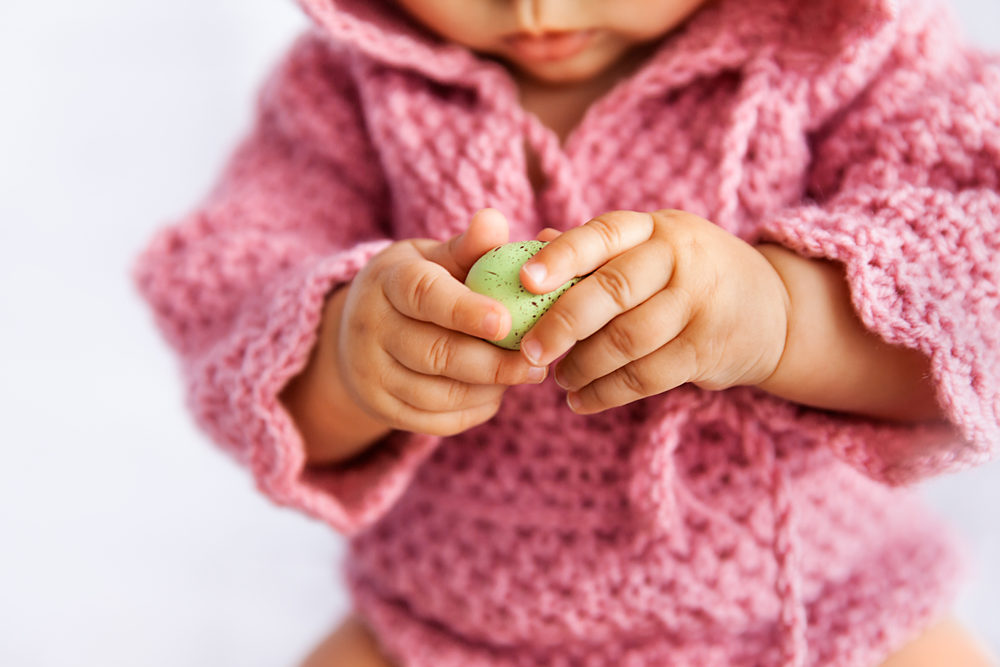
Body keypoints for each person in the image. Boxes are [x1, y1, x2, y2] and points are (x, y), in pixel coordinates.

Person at [133, 0, 1000, 664]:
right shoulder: (349, 90)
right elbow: (235, 302)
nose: (536, 9)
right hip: (445, 622)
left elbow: (972, 281)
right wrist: (351, 357)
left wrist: (775, 314)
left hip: (820, 610)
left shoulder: (844, 45)